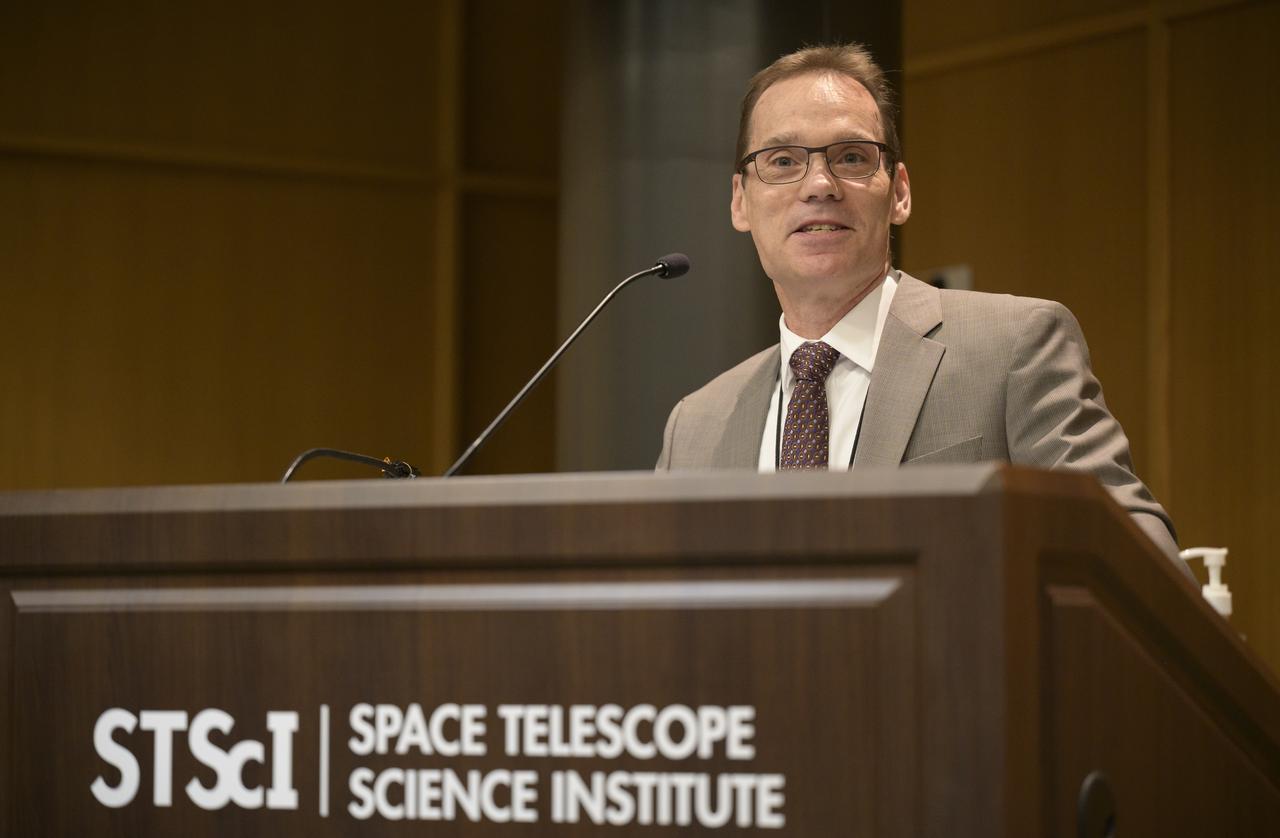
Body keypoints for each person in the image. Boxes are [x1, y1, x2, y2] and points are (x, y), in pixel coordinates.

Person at [655, 43, 1181, 562]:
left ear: (900, 192)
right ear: (740, 201)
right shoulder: (695, 427)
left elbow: (1137, 557)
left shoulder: (1014, 347)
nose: (819, 185)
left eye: (851, 157)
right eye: (783, 160)